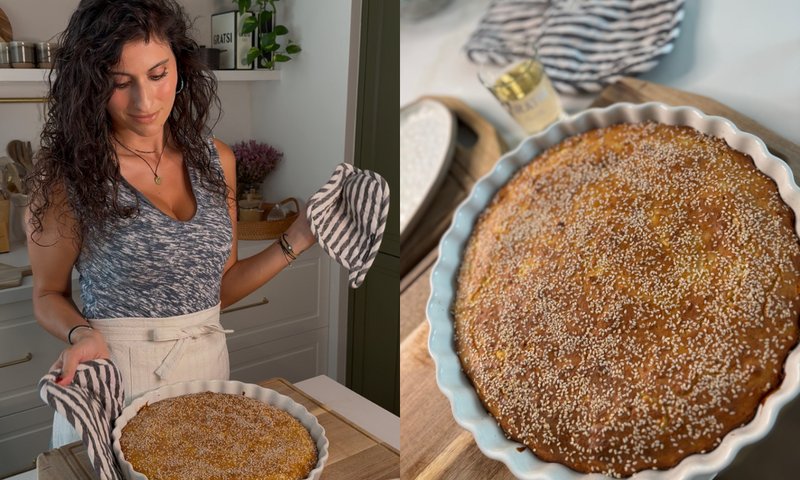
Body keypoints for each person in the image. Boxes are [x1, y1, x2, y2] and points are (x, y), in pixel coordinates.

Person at [26, 0, 316, 447]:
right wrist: (81, 332)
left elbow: (217, 286)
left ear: (180, 68)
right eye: (120, 83)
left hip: (206, 373)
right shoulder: (68, 175)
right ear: (90, 86)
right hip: (115, 380)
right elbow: (47, 294)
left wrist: (296, 239)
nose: (144, 102)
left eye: (158, 75)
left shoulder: (217, 161)